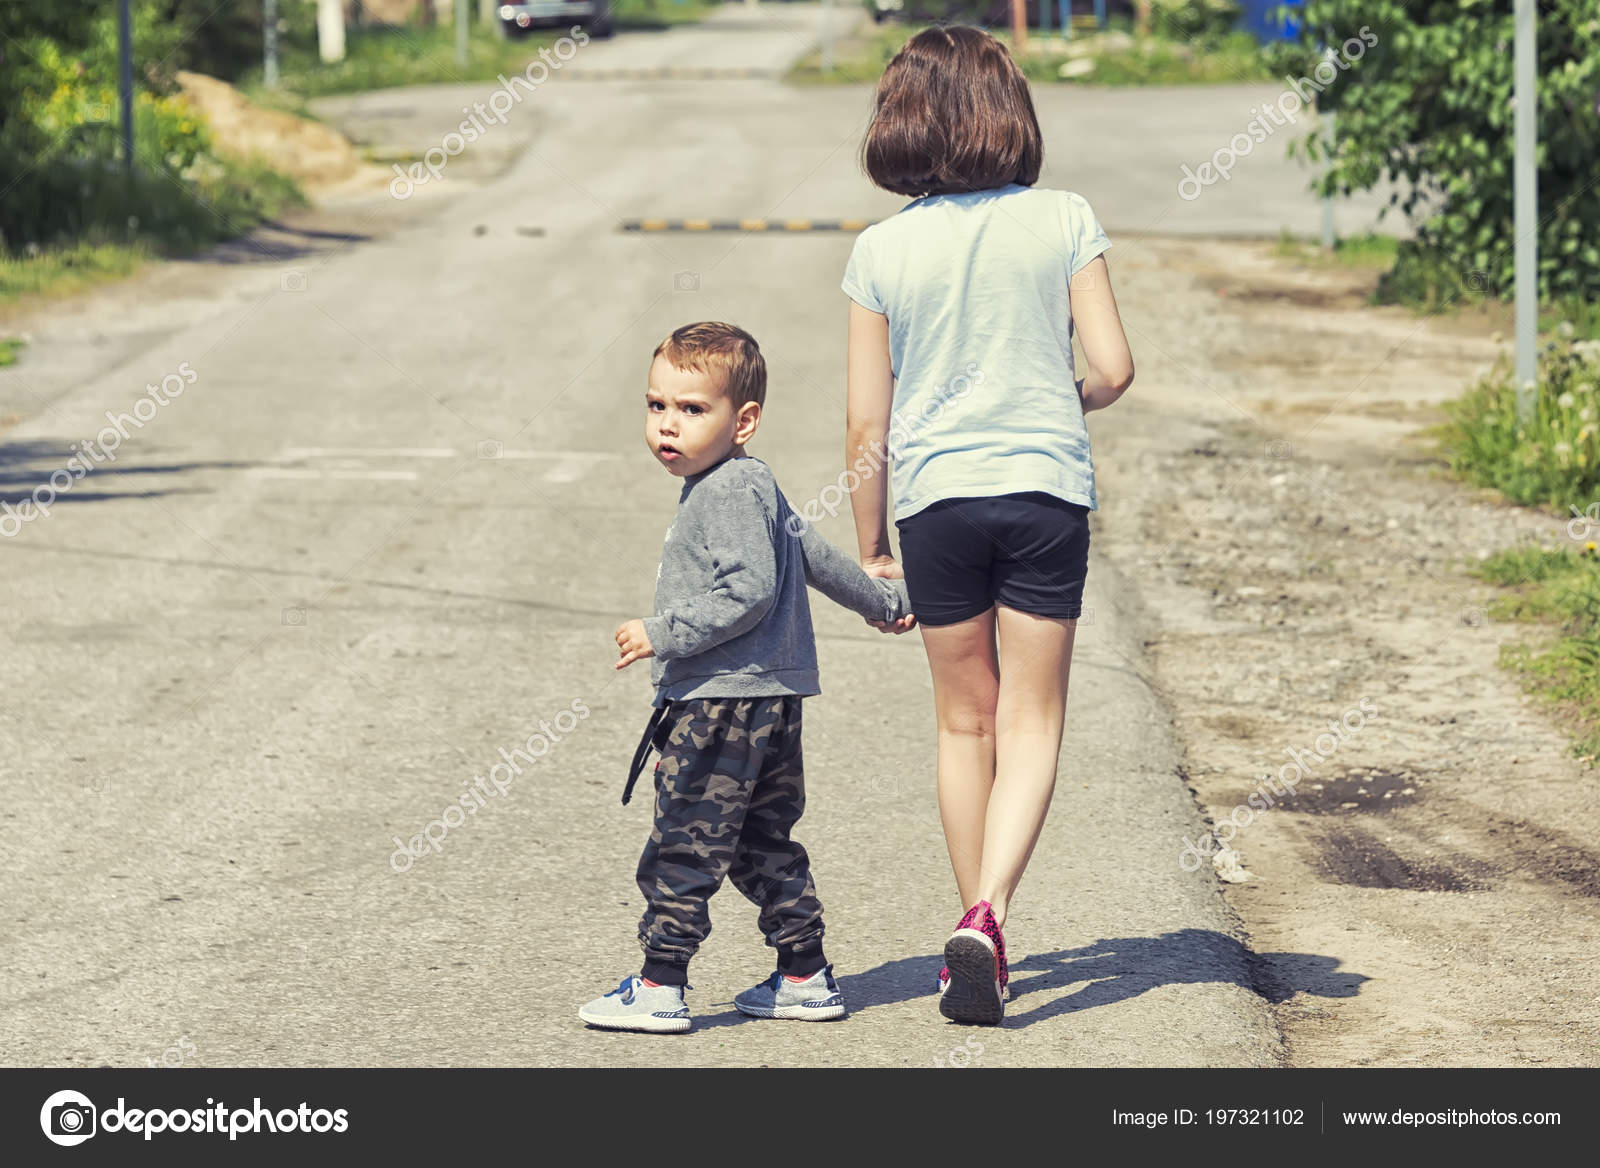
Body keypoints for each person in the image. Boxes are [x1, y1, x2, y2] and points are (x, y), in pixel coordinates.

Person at [840, 26, 1136, 1025]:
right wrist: (1058, 400)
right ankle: (988, 913)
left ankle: (979, 938)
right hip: (1044, 492)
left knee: (963, 722)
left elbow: (864, 422)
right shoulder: (1063, 218)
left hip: (934, 502)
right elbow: (1112, 367)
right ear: (1010, 111)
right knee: (1032, 720)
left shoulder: (879, 248)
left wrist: (872, 542)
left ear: (902, 117)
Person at [578, 321, 911, 1034]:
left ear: (744, 420)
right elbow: (813, 556)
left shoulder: (725, 490)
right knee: (762, 842)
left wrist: (662, 634)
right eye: (656, 405)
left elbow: (749, 590)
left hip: (720, 704)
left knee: (685, 843)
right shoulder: (752, 482)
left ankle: (661, 983)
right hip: (770, 703)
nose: (668, 425)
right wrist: (883, 600)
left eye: (692, 410)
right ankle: (803, 973)